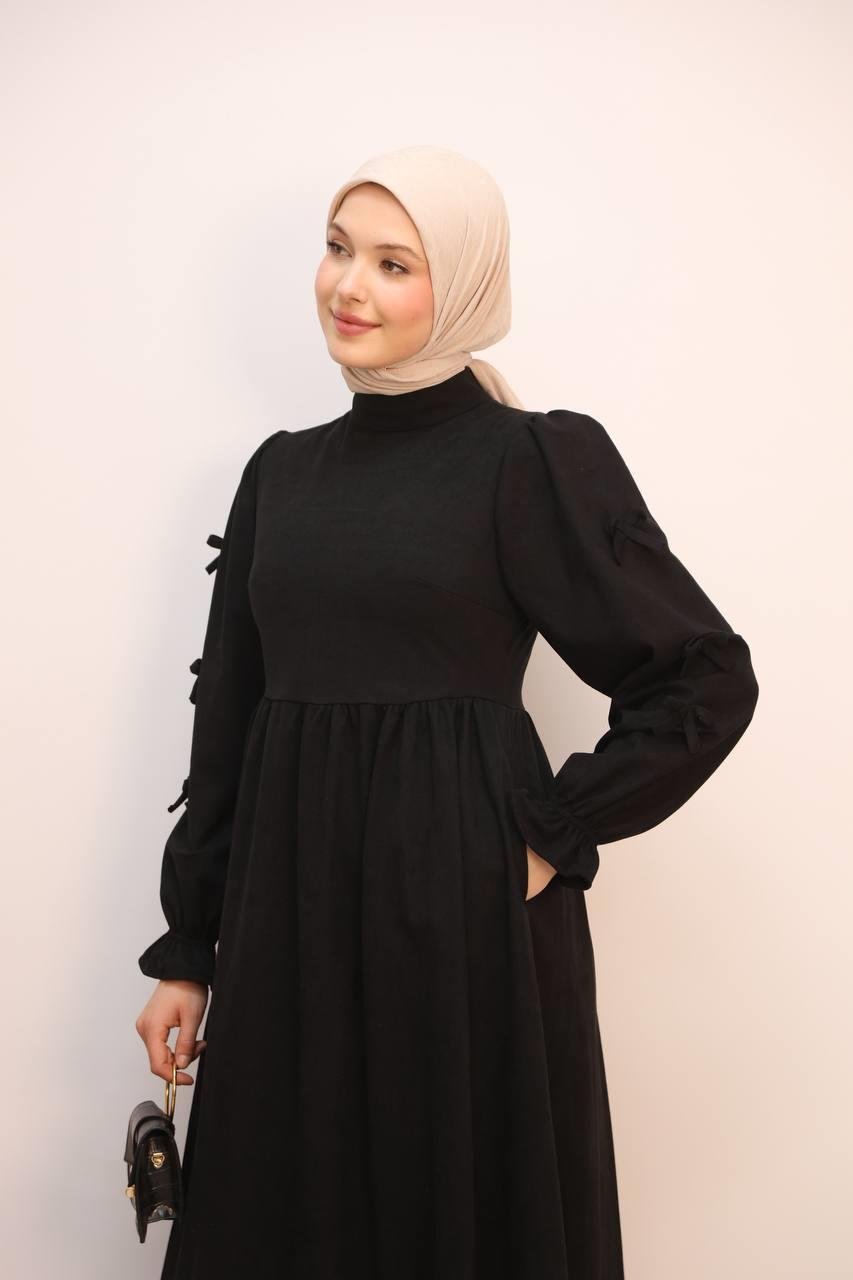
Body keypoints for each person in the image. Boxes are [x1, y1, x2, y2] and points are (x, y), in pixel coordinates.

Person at [134, 144, 759, 1279]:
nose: (348, 286)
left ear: (462, 283)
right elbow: (227, 723)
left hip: (462, 929)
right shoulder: (280, 474)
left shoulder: (529, 461)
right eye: (337, 249)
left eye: (393, 263)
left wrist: (551, 833)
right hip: (289, 919)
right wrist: (188, 951)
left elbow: (702, 674)